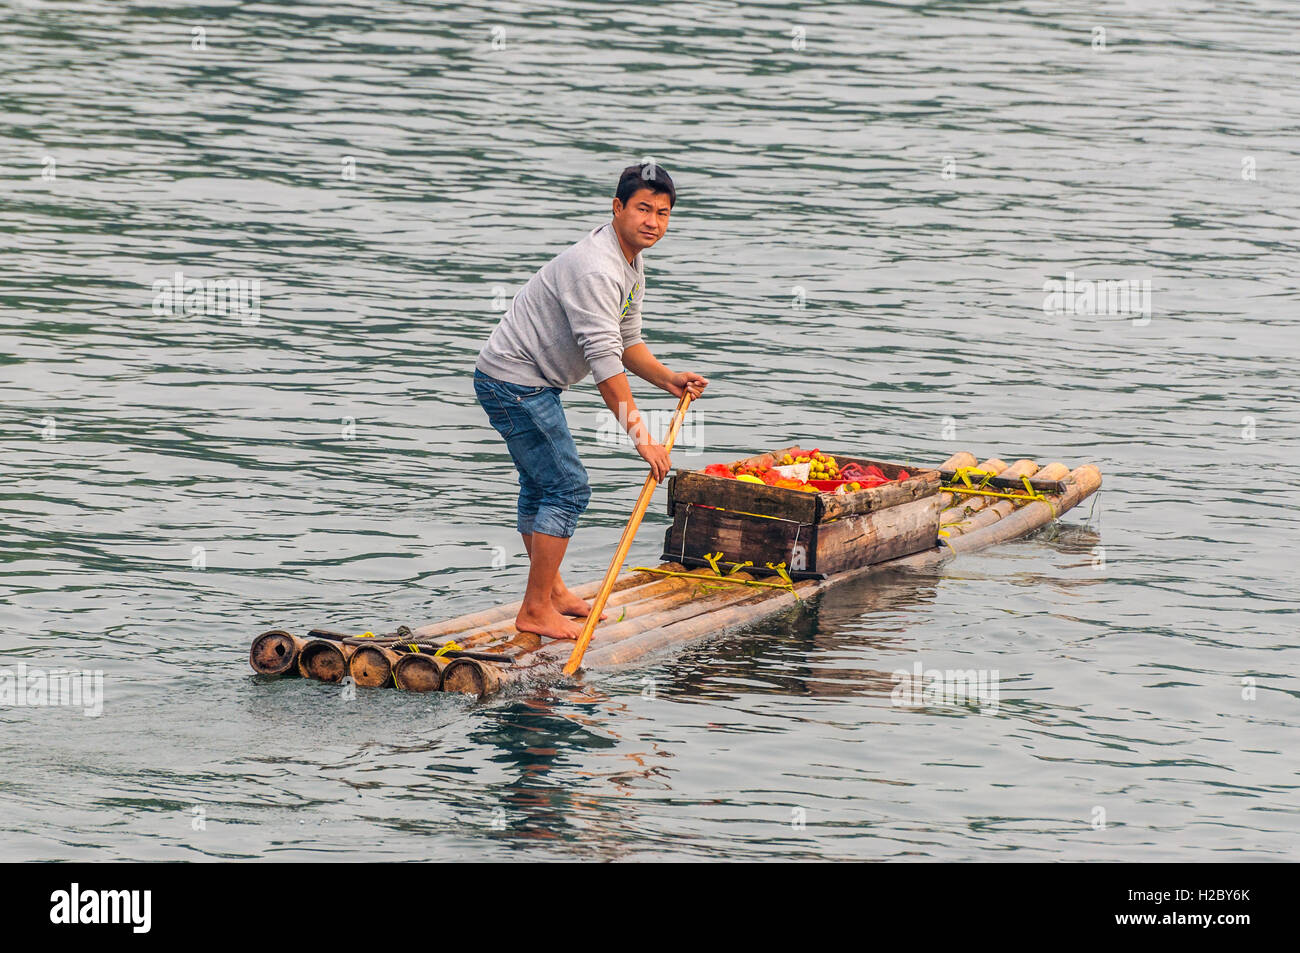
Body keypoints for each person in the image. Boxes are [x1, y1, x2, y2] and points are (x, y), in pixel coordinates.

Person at [474, 162, 709, 640]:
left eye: (663, 214)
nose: (653, 222)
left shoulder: (630, 261)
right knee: (568, 488)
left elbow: (625, 339)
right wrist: (643, 438)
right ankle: (536, 609)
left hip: (525, 380)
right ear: (617, 207)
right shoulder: (596, 268)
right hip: (515, 382)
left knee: (542, 484)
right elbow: (604, 362)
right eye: (643, 209)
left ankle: (552, 592)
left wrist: (666, 379)